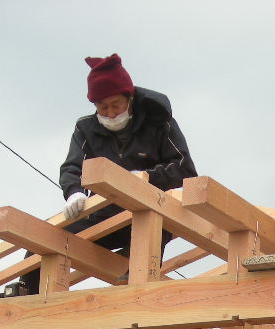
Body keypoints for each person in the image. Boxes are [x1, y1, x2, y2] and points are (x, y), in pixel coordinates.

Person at [24, 54, 198, 293]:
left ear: (130, 98)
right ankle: (28, 295)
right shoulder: (86, 129)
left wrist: (144, 178)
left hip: (151, 214)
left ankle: (134, 290)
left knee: (138, 265)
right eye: (103, 108)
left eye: (116, 105)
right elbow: (72, 167)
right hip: (104, 215)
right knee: (40, 243)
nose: (111, 113)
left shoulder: (159, 122)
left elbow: (184, 169)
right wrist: (74, 193)